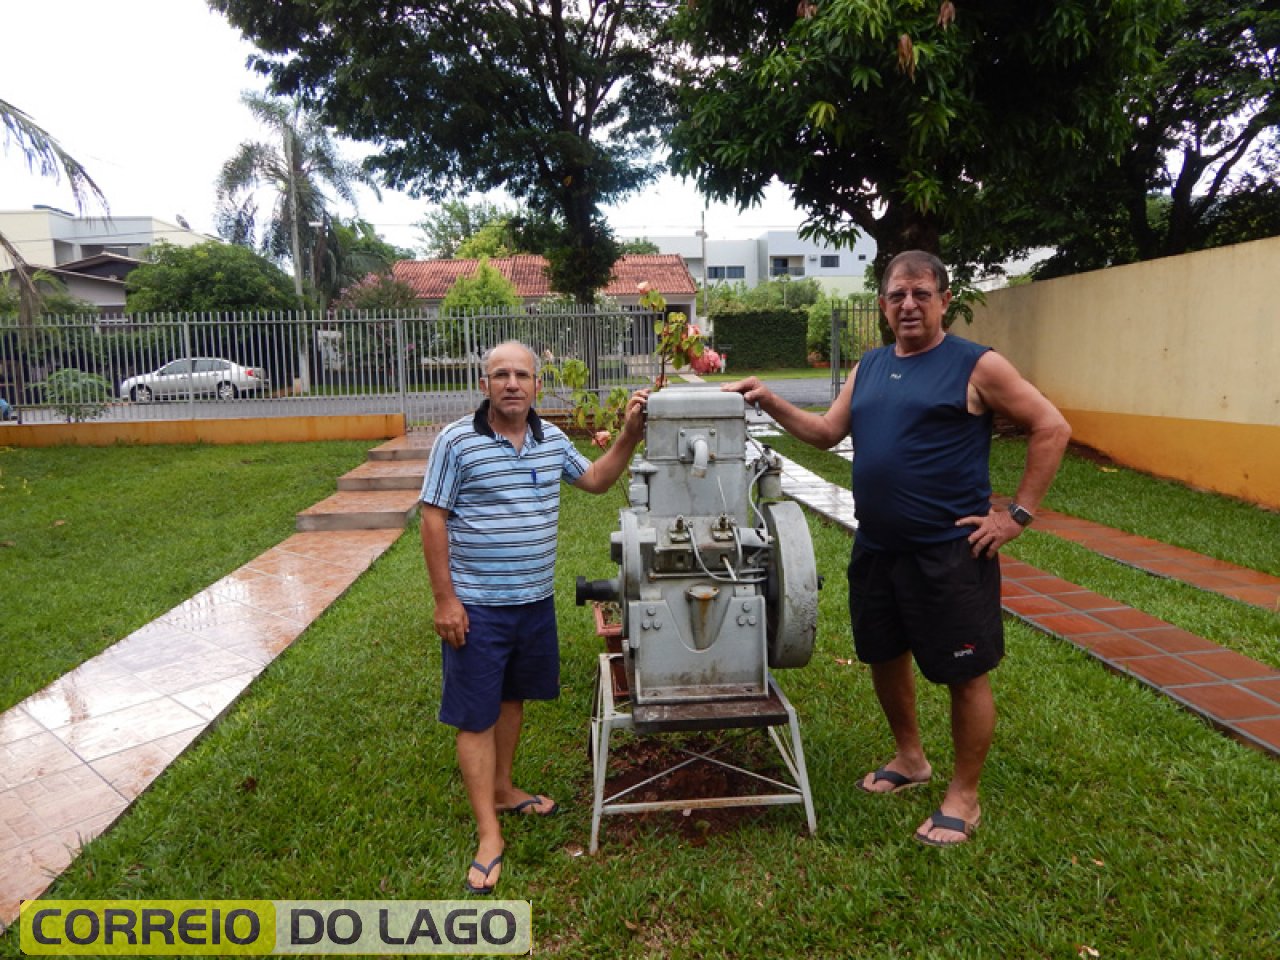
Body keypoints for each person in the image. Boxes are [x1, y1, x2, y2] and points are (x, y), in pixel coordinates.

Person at [724, 250, 1070, 847]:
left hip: (948, 552)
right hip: (878, 547)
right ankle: (910, 758)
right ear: (883, 304)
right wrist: (771, 401)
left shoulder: (976, 365)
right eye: (896, 295)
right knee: (885, 656)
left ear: (943, 299)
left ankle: (964, 794)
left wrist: (1016, 516)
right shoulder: (871, 365)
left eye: (920, 294)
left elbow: (1052, 426)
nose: (908, 305)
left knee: (965, 674)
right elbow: (828, 432)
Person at [419, 340, 648, 893]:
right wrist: (446, 602)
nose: (512, 384)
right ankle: (489, 832)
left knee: (512, 698)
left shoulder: (551, 441)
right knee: (476, 715)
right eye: (501, 375)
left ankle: (503, 788)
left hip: (532, 602)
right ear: (485, 385)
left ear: (537, 385)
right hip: (477, 606)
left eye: (522, 375)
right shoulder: (457, 441)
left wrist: (628, 437)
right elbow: (432, 519)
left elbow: (593, 480)